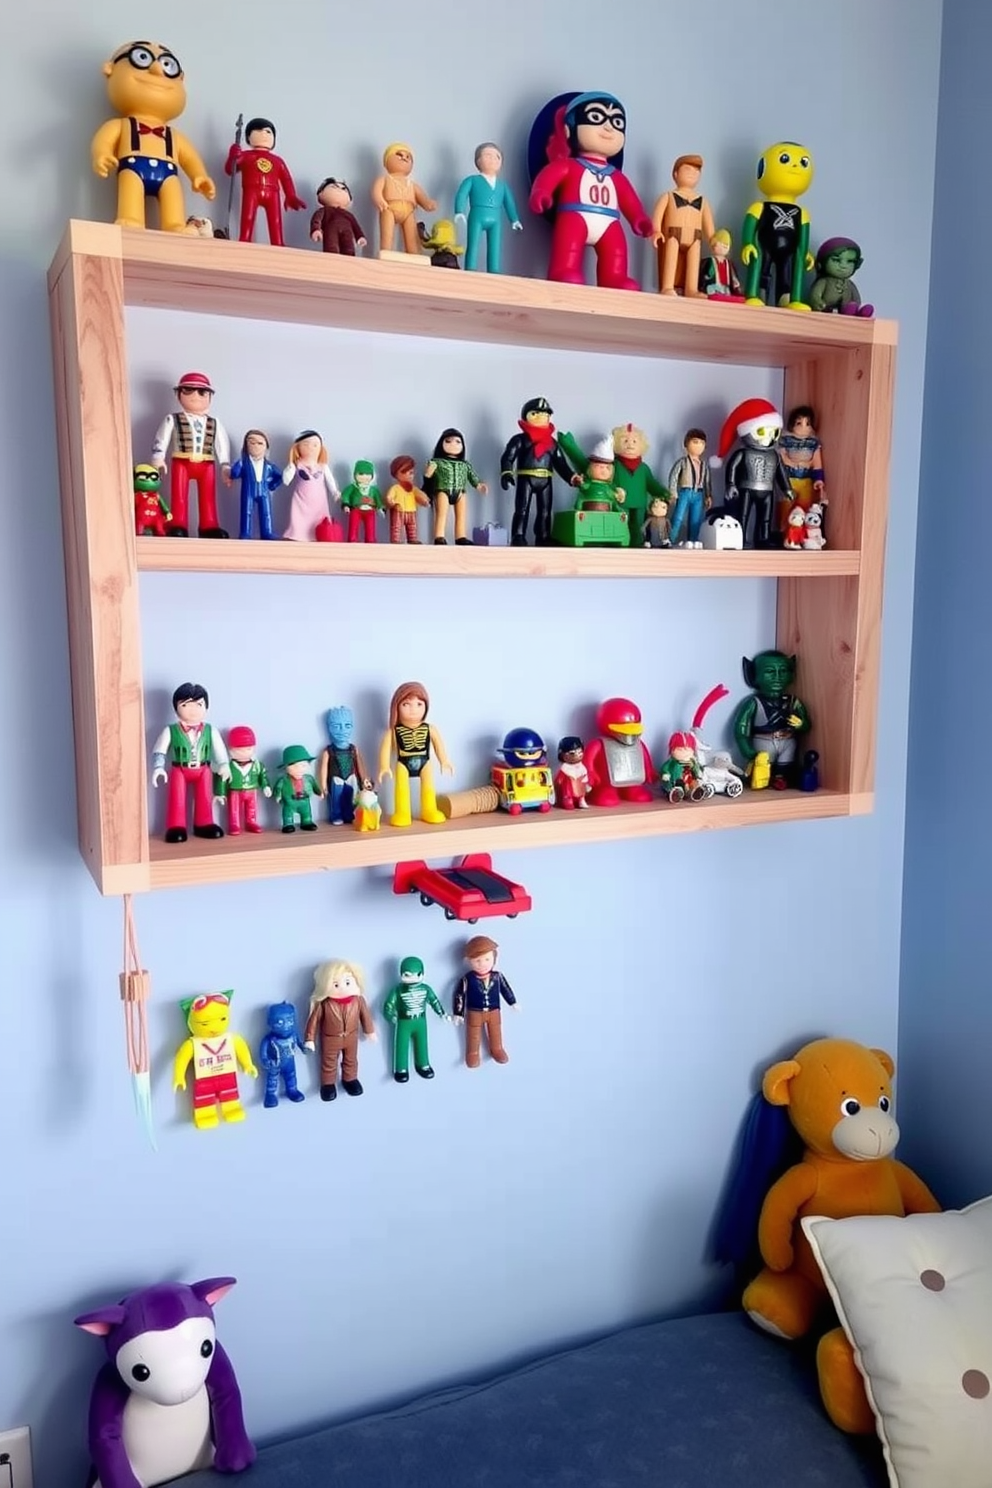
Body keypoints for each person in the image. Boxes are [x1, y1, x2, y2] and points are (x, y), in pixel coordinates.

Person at [453, 142, 523, 273]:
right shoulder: (472, 180)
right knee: (473, 244)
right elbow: (462, 194)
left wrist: (514, 219)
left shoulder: (502, 185)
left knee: (495, 246)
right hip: (477, 216)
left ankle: (494, 270)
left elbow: (509, 202)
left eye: (497, 156)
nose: (493, 159)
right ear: (478, 160)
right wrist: (459, 211)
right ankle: (470, 268)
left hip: (495, 219)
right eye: (488, 155)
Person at [452, 936, 517, 1068]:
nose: (482, 964)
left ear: (494, 959)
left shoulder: (497, 977)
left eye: (487, 959)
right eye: (477, 960)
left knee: (496, 1032)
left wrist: (512, 1002)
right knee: (473, 1035)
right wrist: (458, 1012)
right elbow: (460, 995)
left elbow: (506, 989)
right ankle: (473, 1053)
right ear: (469, 961)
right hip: (474, 1012)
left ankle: (497, 1049)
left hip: (494, 1011)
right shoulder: (467, 979)